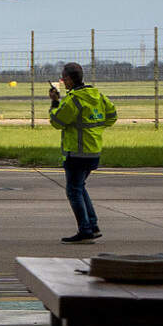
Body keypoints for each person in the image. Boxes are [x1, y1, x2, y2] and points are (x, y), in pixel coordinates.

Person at [48, 61, 117, 243]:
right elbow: (112, 116)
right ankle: (92, 225)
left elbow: (57, 122)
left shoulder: (74, 100)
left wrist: (55, 102)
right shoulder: (97, 96)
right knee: (79, 187)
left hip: (77, 152)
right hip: (93, 150)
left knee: (73, 191)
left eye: (64, 78)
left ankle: (85, 230)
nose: (63, 81)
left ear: (70, 79)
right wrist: (95, 129)